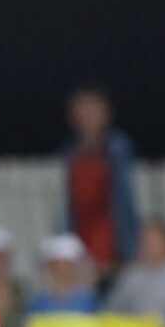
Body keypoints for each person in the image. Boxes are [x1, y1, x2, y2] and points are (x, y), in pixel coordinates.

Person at [60, 84, 138, 287]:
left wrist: (130, 249)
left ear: (106, 113)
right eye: (81, 110)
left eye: (93, 109)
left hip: (115, 245)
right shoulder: (69, 153)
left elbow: (126, 204)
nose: (87, 116)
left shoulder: (119, 148)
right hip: (81, 245)